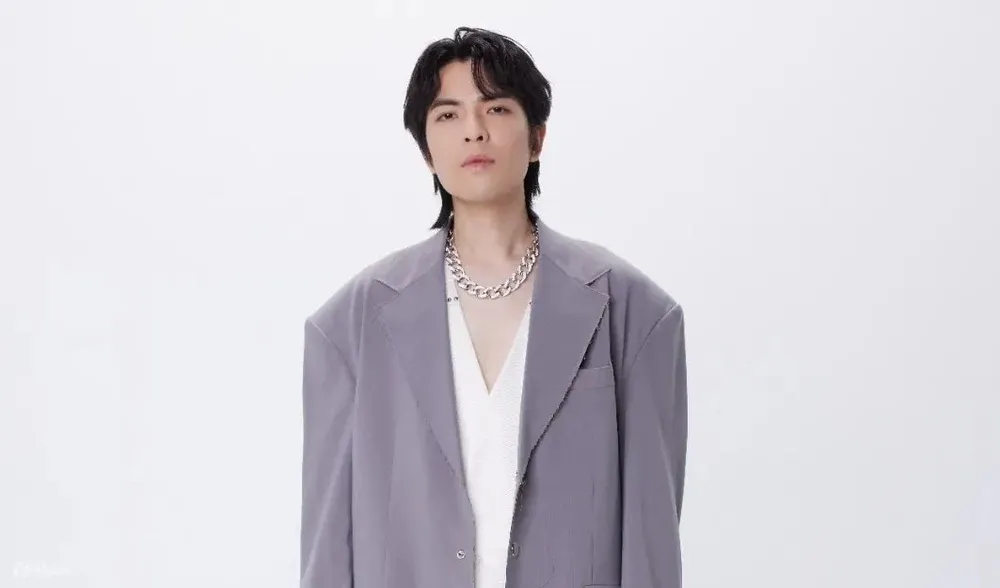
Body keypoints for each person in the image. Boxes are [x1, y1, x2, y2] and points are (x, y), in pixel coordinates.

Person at [301, 26, 688, 588]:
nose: (474, 130)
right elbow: (327, 551)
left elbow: (651, 547)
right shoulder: (348, 327)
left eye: (497, 108)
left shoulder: (634, 312)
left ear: (537, 138)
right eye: (448, 115)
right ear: (426, 150)